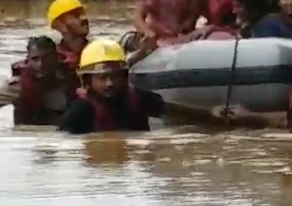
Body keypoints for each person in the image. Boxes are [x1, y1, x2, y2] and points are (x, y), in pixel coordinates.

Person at [57, 38, 218, 135]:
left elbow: (171, 111)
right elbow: (61, 140)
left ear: (125, 76)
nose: (110, 83)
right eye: (102, 78)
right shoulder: (79, 111)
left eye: (115, 77)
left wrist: (210, 115)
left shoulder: (138, 98)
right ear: (88, 81)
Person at [45, 0, 90, 68]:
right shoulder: (52, 60)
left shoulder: (98, 50)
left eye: (83, 14)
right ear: (61, 25)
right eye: (76, 16)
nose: (84, 18)